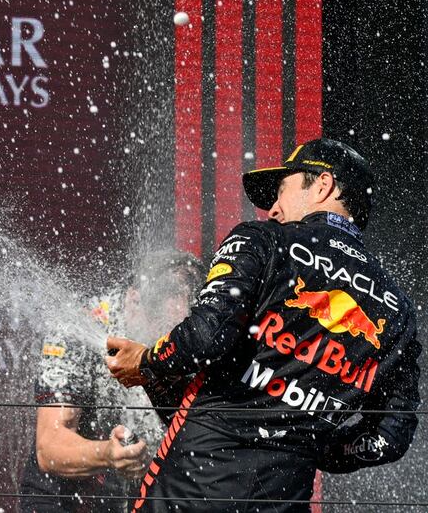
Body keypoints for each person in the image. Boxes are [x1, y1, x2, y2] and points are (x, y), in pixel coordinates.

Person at [106, 139, 422, 512]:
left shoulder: (262, 239)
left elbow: (205, 338)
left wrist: (146, 362)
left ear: (323, 185)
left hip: (189, 494)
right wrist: (317, 448)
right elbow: (390, 435)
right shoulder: (397, 309)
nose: (272, 209)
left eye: (282, 190)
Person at [20, 251, 204, 512]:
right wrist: (108, 453)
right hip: (66, 498)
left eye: (191, 297)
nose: (182, 310)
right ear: (134, 299)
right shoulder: (78, 328)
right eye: (171, 294)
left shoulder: (196, 332)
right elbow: (50, 447)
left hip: (142, 492)